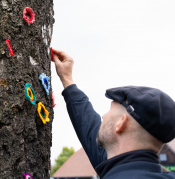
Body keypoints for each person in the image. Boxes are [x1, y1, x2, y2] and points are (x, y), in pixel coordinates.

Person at [52, 48, 175, 179]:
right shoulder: (116, 167)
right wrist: (67, 80)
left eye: (109, 111)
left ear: (121, 122)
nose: (103, 117)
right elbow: (89, 127)